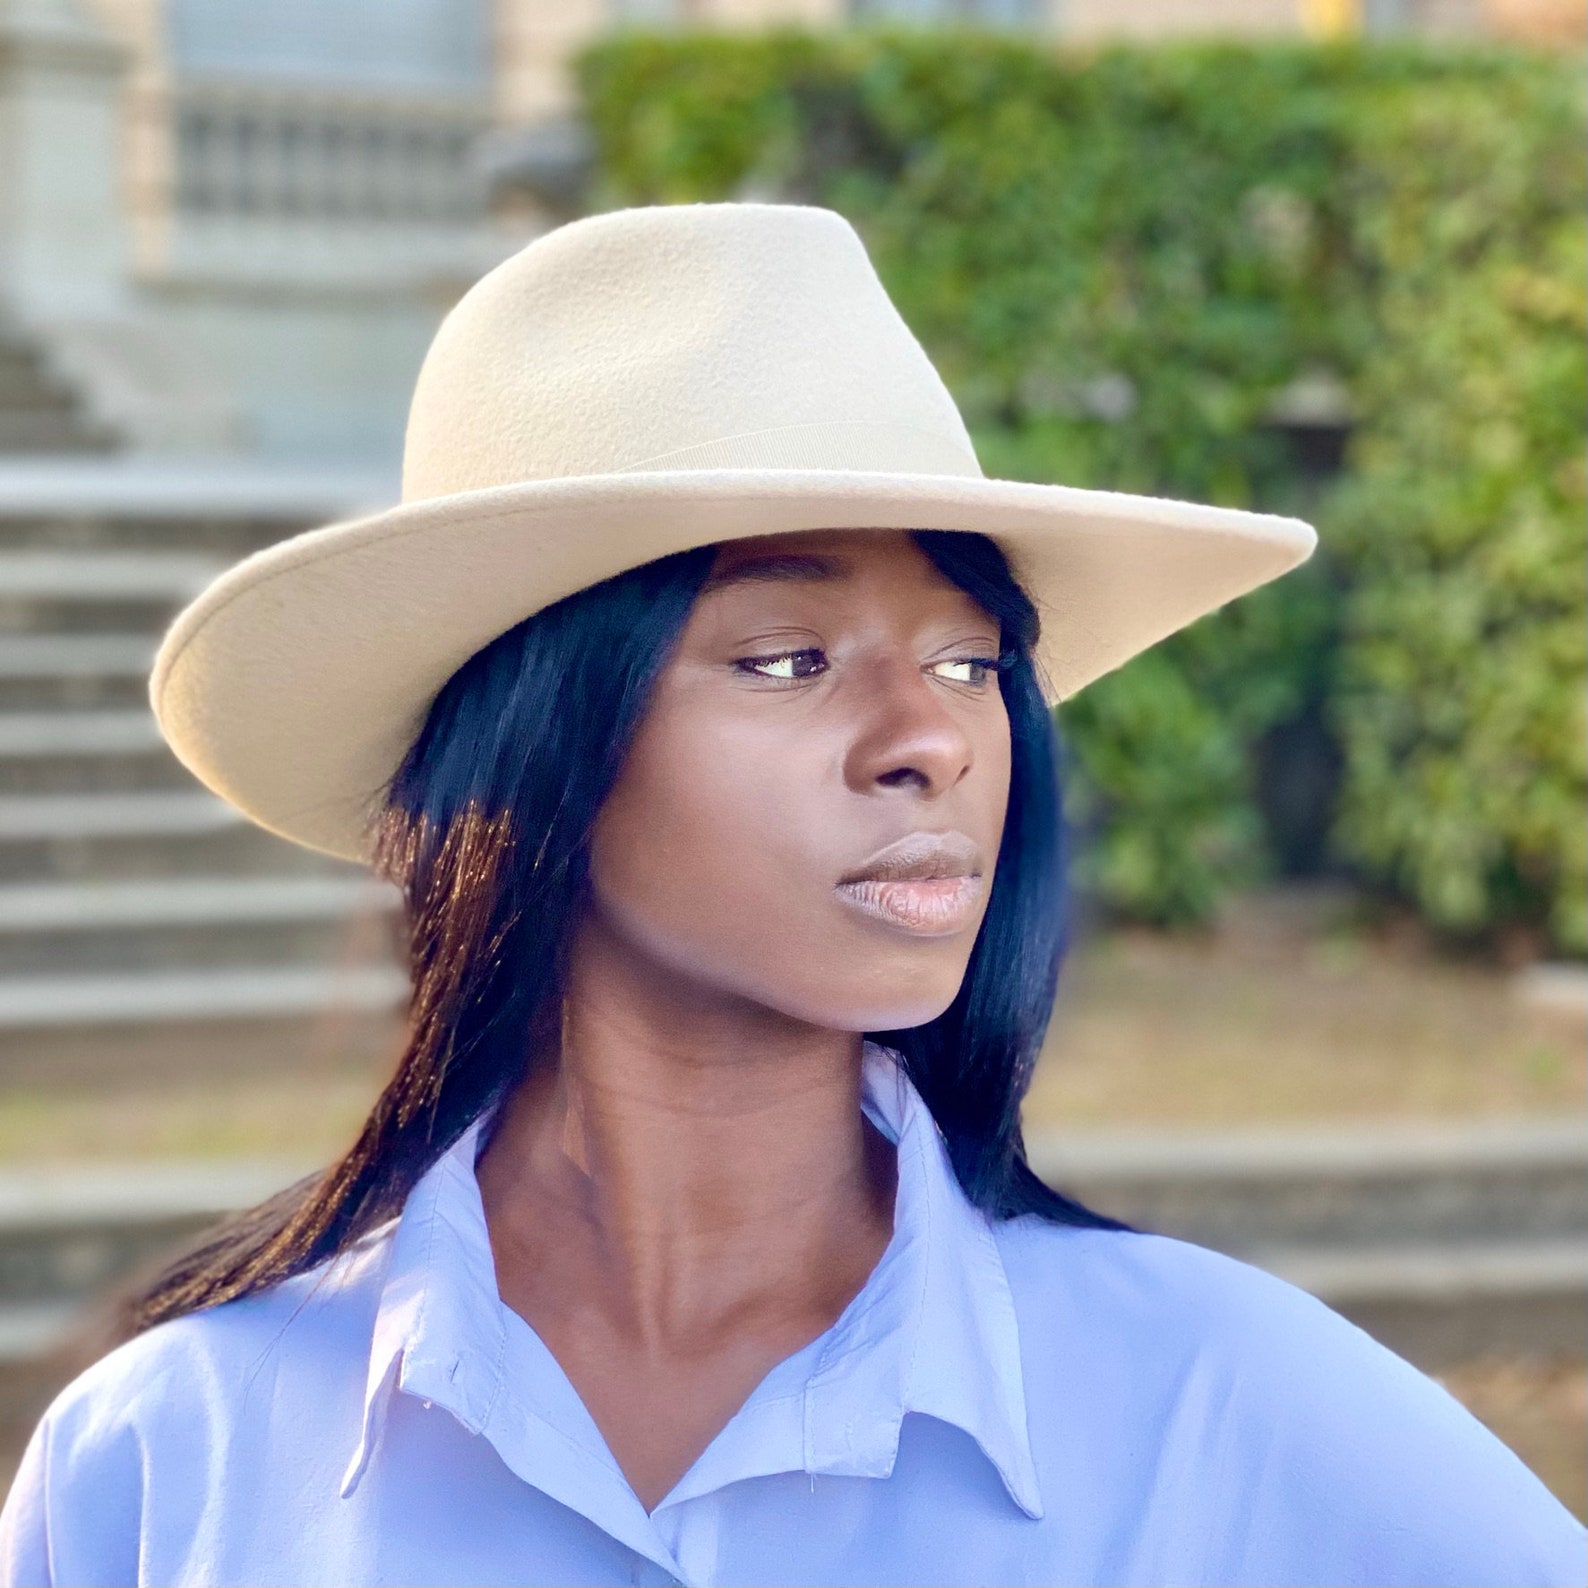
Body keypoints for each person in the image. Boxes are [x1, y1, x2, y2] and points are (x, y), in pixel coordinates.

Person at [0, 204, 1580, 1588]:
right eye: (788, 659)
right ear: (537, 752)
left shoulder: (1225, 1402)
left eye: (973, 662)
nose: (929, 743)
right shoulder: (163, 1465)